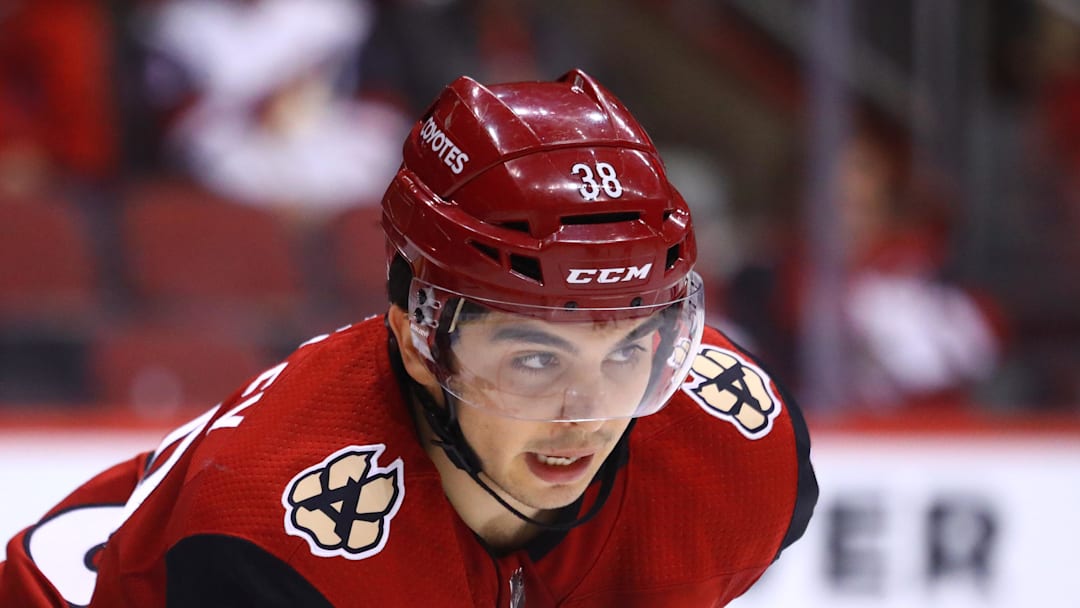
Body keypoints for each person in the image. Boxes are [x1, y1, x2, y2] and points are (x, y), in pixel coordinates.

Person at [0, 70, 817, 607]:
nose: (587, 413)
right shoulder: (267, 543)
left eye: (629, 353)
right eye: (536, 359)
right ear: (421, 336)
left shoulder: (734, 450)